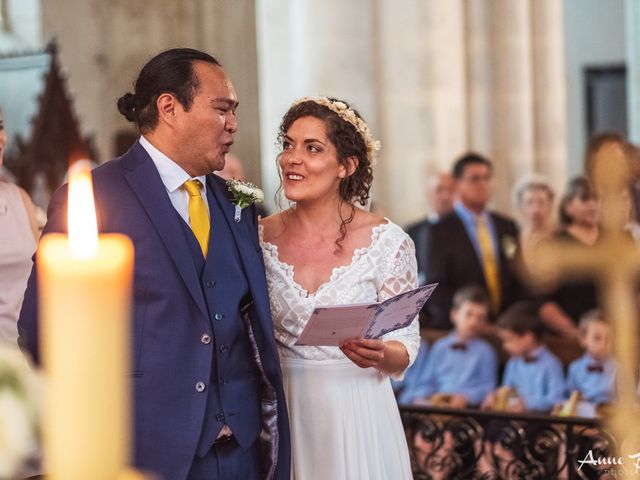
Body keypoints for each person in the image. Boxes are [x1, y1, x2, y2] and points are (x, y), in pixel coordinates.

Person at [18, 48, 290, 480]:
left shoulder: (236, 202)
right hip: (147, 452)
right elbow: (42, 327)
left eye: (234, 111)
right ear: (169, 107)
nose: (233, 124)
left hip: (241, 453)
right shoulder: (95, 196)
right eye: (222, 109)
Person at [260, 96, 419, 479]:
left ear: (346, 166)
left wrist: (381, 353)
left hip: (358, 410)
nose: (292, 159)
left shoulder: (388, 242)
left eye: (312, 148)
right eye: (288, 144)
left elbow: (407, 345)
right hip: (284, 409)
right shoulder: (257, 236)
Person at [424, 153, 526, 329]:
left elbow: (517, 273)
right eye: (475, 179)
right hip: (462, 327)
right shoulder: (440, 230)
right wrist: (469, 320)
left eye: (487, 178)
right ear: (457, 184)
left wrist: (512, 320)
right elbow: (435, 285)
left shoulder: (506, 226)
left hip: (507, 327)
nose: (483, 184)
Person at [408, 286, 497, 407]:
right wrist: (421, 398)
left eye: (480, 318)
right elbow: (427, 381)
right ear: (454, 314)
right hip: (438, 406)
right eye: (468, 314)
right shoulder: (440, 347)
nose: (473, 322)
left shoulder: (486, 351)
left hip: (468, 409)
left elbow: (488, 386)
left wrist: (467, 397)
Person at [538, 176, 600, 340]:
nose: (593, 205)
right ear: (568, 207)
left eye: (597, 199)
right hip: (571, 337)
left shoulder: (616, 240)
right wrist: (574, 333)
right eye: (585, 199)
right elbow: (543, 301)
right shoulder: (553, 244)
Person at [0, 108, 39, 345]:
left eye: (1, 126)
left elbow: (42, 278)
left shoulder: (19, 198)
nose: (1, 137)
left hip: (26, 353)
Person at [483, 302, 565, 413]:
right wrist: (495, 396)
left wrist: (528, 404)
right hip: (513, 417)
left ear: (528, 337)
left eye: (509, 340)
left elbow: (556, 399)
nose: (504, 346)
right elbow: (507, 390)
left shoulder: (551, 364)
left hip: (538, 420)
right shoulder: (513, 363)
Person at [406, 171, 454, 285]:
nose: (445, 196)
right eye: (439, 190)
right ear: (428, 194)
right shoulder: (412, 232)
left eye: (450, 190)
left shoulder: (467, 230)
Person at [565, 310, 616, 406]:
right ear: (583, 339)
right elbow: (569, 398)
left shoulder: (619, 369)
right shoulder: (575, 368)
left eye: (609, 339)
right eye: (597, 338)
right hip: (584, 417)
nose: (603, 344)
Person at [512, 174, 555, 268]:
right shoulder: (513, 238)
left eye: (541, 202)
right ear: (520, 207)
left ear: (550, 205)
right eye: (529, 203)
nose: (536, 209)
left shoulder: (562, 237)